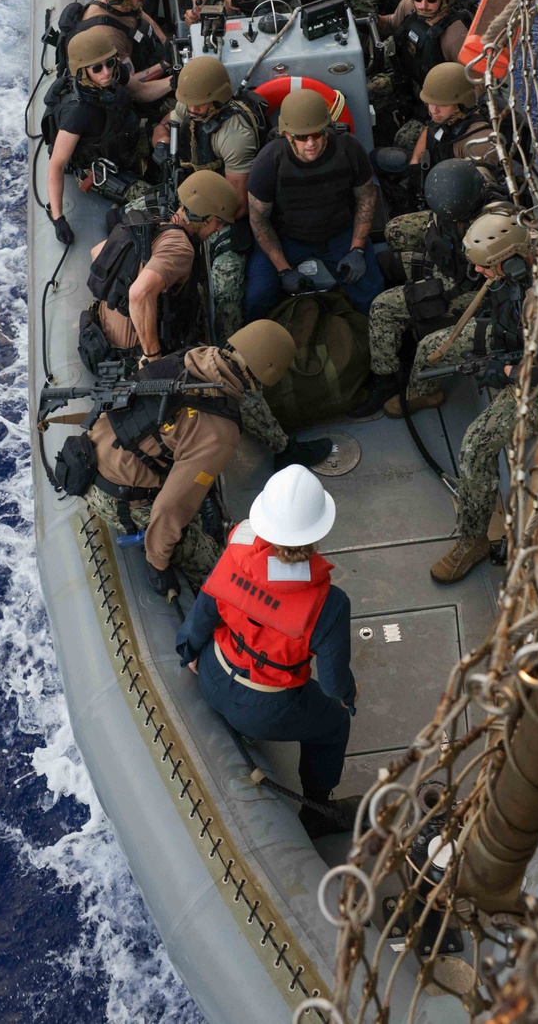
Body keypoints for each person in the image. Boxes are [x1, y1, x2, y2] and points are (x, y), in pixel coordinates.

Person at [175, 465, 357, 837]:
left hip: (211, 673)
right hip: (265, 709)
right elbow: (335, 684)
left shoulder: (236, 551)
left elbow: (202, 614)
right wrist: (346, 700)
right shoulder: (330, 603)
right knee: (334, 724)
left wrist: (189, 652)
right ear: (318, 532)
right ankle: (318, 808)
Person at [84, 320, 304, 591]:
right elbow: (169, 508)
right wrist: (158, 563)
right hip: (117, 496)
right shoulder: (219, 435)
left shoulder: (193, 357)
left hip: (92, 454)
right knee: (226, 575)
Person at [382, 214, 538, 583]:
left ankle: (473, 540)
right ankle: (427, 392)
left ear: (512, 259)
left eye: (485, 267)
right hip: (512, 341)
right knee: (431, 347)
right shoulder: (511, 271)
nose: (478, 272)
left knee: (474, 447)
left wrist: (503, 373)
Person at [352, 160, 513, 416]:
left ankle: (393, 380)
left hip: (465, 287)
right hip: (448, 262)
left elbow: (486, 277)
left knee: (382, 308)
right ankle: (398, 332)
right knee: (388, 248)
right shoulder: (468, 191)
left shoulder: (491, 229)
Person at [245, 88, 383, 320]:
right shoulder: (269, 160)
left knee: (371, 293)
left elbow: (367, 196)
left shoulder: (348, 148)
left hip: (338, 232)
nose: (311, 143)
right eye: (301, 137)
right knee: (258, 296)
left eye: (317, 133)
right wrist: (283, 270)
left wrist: (357, 249)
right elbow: (258, 217)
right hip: (287, 237)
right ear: (287, 135)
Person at [151, 56, 265, 338]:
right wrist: (162, 145)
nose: (192, 109)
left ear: (217, 99)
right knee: (134, 216)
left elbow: (236, 206)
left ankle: (228, 347)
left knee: (226, 285)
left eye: (199, 105)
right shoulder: (190, 105)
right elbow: (164, 126)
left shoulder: (234, 135)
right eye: (188, 104)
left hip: (220, 214)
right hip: (187, 195)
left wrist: (191, 221)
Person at [85, 169, 239, 363]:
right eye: (219, 222)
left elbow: (96, 252)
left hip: (100, 335)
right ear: (202, 216)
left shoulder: (155, 222)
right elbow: (139, 294)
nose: (219, 229)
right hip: (133, 352)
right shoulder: (181, 248)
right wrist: (153, 358)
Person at [43, 27, 150, 241]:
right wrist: (58, 219)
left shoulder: (113, 78)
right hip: (98, 169)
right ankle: (116, 218)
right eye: (97, 68)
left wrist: (175, 82)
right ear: (83, 71)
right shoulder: (78, 112)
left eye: (110, 63)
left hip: (123, 145)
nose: (106, 72)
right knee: (154, 197)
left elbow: (142, 92)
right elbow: (57, 164)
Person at [368, 0, 476, 152]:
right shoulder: (410, 5)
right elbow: (392, 22)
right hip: (409, 81)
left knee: (404, 140)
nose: (423, 5)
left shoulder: (455, 38)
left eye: (431, 0)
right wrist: (368, 22)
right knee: (371, 92)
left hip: (439, 104)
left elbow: (472, 90)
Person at [74, 0, 175, 99]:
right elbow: (131, 83)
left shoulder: (124, 4)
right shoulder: (108, 36)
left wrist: (167, 43)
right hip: (146, 84)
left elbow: (143, 17)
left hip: (151, 52)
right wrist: (167, 64)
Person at [401, 63, 501, 176]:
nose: (434, 110)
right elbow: (430, 132)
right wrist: (416, 164)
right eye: (430, 103)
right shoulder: (447, 117)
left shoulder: (478, 141)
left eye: (443, 105)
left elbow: (478, 188)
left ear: (462, 104)